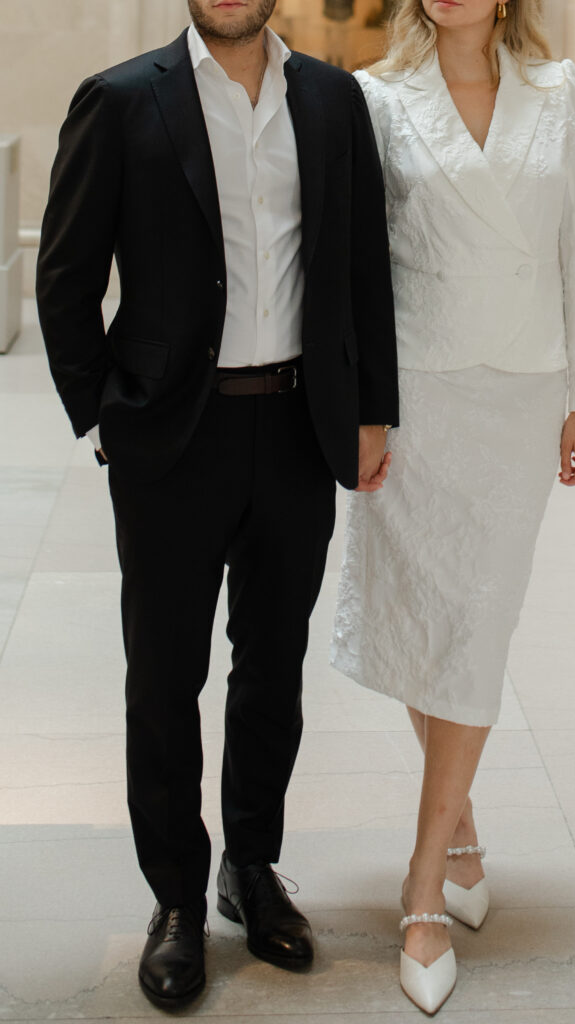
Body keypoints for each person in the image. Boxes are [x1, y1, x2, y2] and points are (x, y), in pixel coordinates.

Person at [37, 0, 398, 1008]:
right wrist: (106, 411)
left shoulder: (330, 101)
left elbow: (360, 264)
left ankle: (249, 867)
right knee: (162, 679)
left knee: (271, 668)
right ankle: (174, 900)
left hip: (294, 429)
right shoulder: (119, 103)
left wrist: (371, 410)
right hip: (172, 440)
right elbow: (65, 278)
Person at [331, 0, 575, 1013]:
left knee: (478, 620)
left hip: (518, 399)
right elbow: (360, 267)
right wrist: (364, 411)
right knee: (430, 614)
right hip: (418, 399)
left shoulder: (558, 91)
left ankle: (421, 883)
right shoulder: (376, 99)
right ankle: (456, 829)